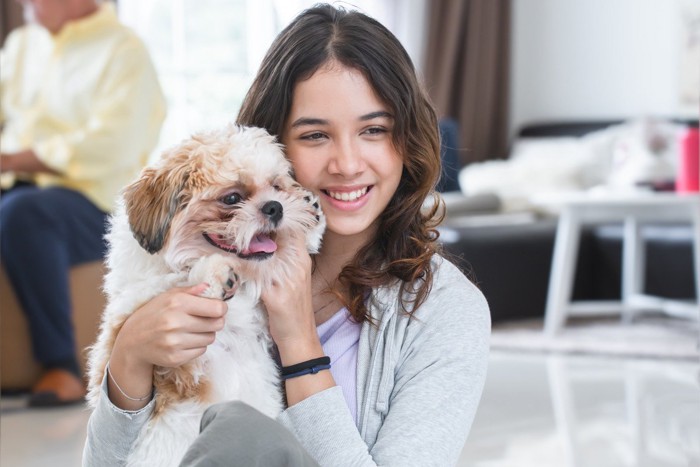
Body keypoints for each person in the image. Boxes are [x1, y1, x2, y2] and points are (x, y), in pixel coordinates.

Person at [83, 3, 490, 466]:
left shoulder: (445, 312)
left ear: (407, 141)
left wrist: (299, 342)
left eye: (374, 130)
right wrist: (129, 358)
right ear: (271, 140)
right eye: (316, 135)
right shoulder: (200, 264)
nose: (348, 163)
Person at [0, 0, 166, 406]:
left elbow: (111, 145)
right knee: (18, 206)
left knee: (24, 212)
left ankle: (63, 367)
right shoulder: (22, 44)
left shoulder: (125, 51)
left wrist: (13, 158)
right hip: (16, 189)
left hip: (93, 203)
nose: (25, 4)